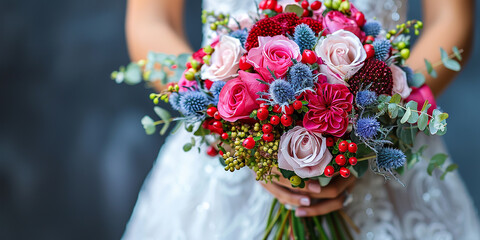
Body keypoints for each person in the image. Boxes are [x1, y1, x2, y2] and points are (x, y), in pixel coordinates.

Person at [123, 0, 480, 239]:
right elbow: (151, 21)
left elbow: (452, 20)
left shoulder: (381, 120)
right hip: (228, 154)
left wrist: (384, 117)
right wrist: (225, 118)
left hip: (381, 144)